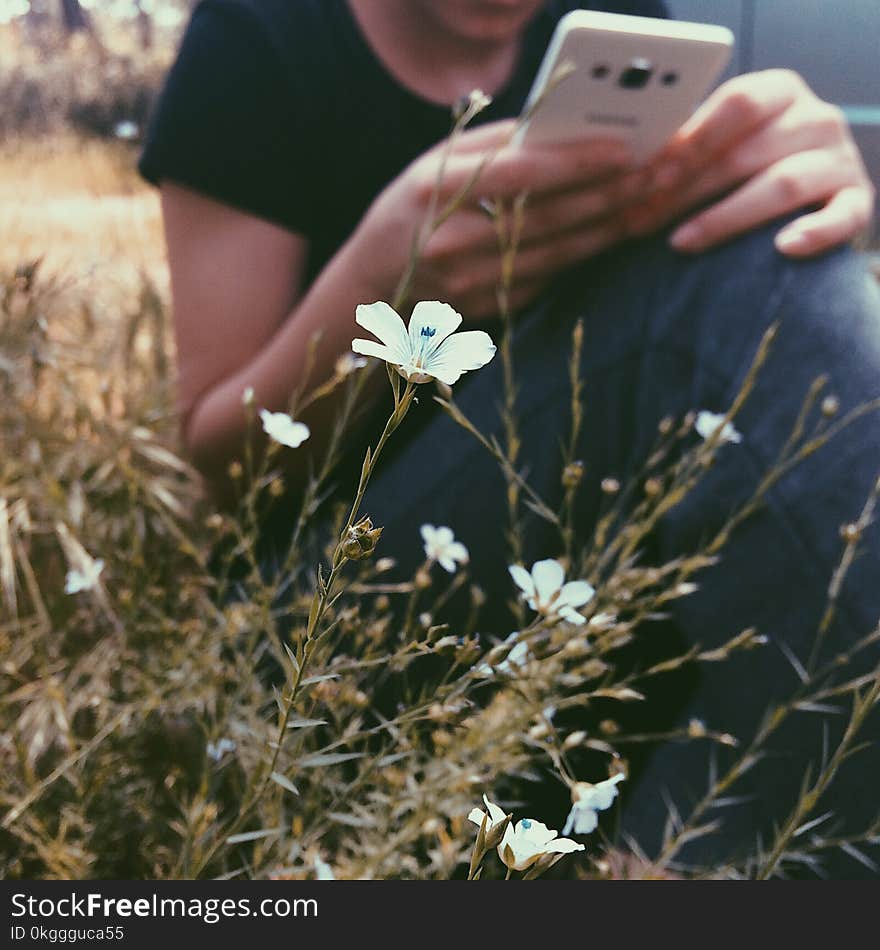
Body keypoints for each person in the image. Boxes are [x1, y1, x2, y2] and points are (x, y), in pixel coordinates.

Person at [140, 0, 880, 875]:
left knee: (771, 253)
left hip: (582, 571)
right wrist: (383, 279)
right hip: (327, 632)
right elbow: (223, 466)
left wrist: (799, 193)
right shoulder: (259, 32)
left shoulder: (618, 18)